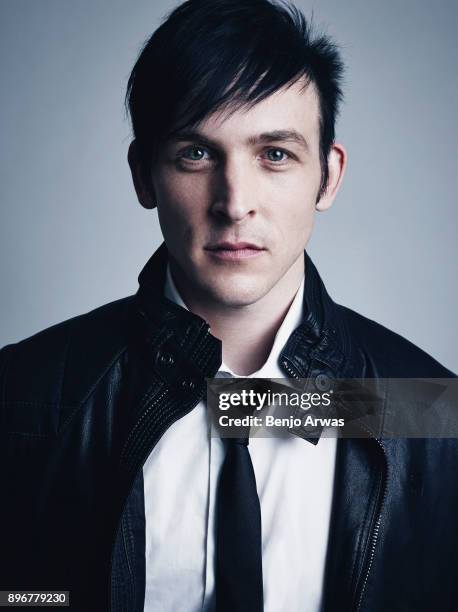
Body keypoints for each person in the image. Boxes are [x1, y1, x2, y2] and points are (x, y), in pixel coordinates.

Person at [0, 1, 456, 611]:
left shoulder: (429, 411)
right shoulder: (22, 399)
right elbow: (25, 597)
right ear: (143, 175)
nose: (235, 202)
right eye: (196, 153)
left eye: (275, 154)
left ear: (328, 175)